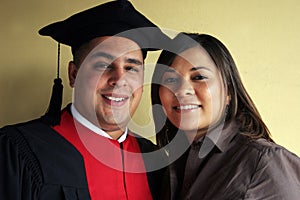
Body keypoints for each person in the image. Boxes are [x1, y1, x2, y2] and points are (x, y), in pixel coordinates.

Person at [0, 1, 170, 199]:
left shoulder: (154, 161)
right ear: (73, 74)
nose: (118, 80)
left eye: (131, 68)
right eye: (102, 65)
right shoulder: (18, 152)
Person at [151, 33, 300, 199]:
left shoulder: (265, 162)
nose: (182, 90)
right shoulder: (167, 165)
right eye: (171, 80)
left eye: (199, 77)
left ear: (228, 91)